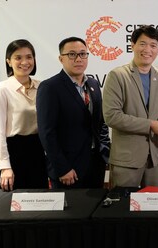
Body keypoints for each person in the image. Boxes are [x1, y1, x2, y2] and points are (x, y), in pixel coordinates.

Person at [102, 26, 158, 188]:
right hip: (127, 160)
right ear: (132, 45)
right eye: (142, 44)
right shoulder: (117, 75)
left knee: (155, 209)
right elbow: (112, 116)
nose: (148, 49)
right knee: (122, 210)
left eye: (153, 45)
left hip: (155, 158)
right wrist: (150, 125)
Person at [36, 37, 110, 188]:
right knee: (72, 211)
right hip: (69, 170)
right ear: (61, 59)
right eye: (72, 54)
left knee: (96, 210)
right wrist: (62, 168)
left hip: (95, 166)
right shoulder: (50, 87)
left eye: (83, 54)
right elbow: (47, 133)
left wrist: (105, 152)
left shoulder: (93, 84)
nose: (78, 59)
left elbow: (100, 123)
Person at [0, 39, 48, 191]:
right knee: (9, 207)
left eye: (29, 57)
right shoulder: (2, 89)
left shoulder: (42, 87)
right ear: (9, 61)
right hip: (13, 153)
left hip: (37, 152)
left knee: (39, 205)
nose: (25, 62)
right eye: (18, 57)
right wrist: (5, 166)